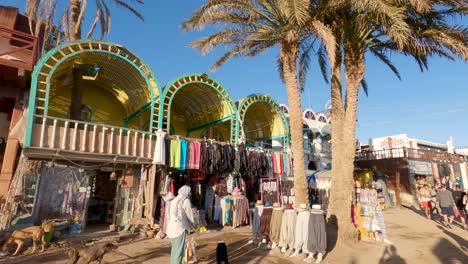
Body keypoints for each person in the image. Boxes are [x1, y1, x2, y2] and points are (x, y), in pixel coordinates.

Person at [167, 185, 196, 264]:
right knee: (179, 252)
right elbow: (189, 214)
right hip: (179, 228)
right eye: (189, 192)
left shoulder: (175, 199)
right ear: (187, 192)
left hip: (171, 228)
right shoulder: (185, 200)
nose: (190, 194)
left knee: (174, 250)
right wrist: (193, 224)